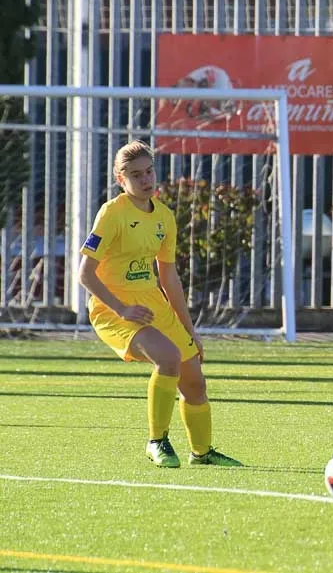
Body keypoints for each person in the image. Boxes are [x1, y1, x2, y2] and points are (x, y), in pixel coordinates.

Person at [78, 140, 242, 468]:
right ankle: (157, 442)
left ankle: (202, 453)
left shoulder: (164, 217)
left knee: (193, 378)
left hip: (153, 302)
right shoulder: (112, 213)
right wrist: (121, 308)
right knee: (167, 358)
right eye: (135, 175)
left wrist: (190, 330)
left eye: (149, 171)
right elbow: (85, 274)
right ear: (120, 179)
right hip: (113, 309)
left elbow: (170, 279)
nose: (145, 179)